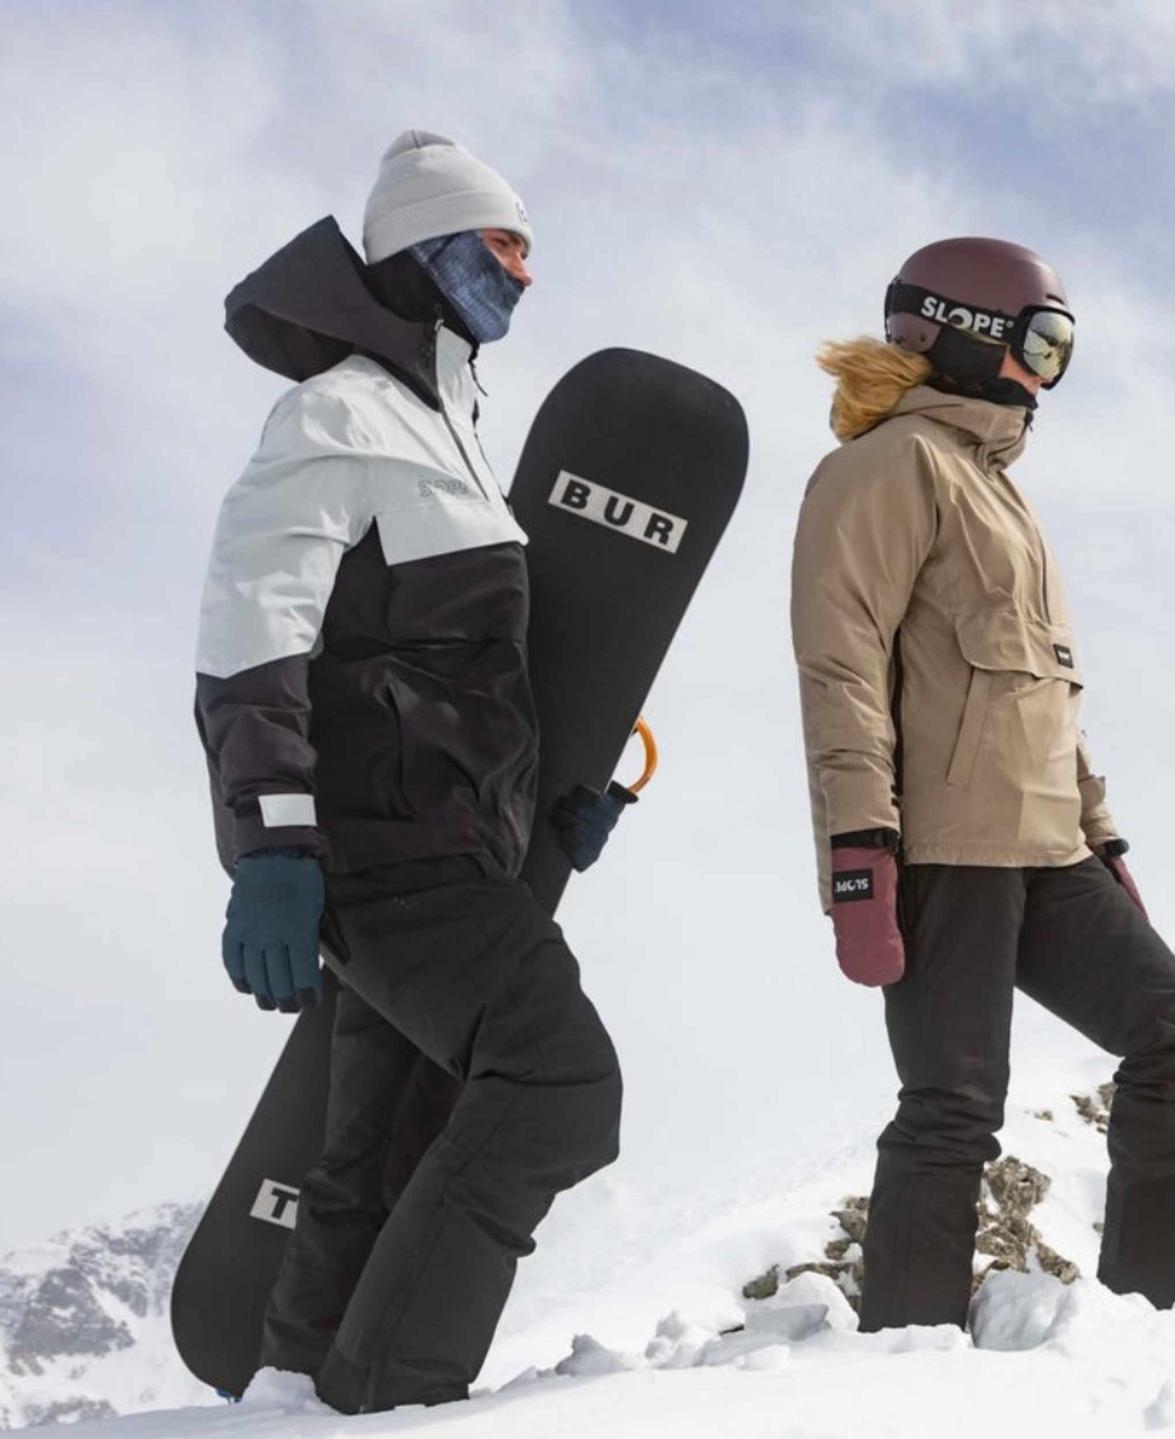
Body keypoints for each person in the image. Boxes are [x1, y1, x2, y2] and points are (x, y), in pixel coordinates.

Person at [194, 130, 631, 1413]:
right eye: (505, 243)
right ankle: (394, 1395)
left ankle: (298, 1384)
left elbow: (439, 674)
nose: (527, 273)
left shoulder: (445, 426)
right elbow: (251, 635)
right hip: (389, 855)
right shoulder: (339, 411)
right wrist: (269, 843)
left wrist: (545, 811)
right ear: (428, 249)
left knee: (382, 1151)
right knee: (561, 1088)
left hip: (446, 844)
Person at [789, 237, 1175, 1331]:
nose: (1050, 366)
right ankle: (908, 1355)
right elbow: (839, 670)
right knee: (953, 1107)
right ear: (967, 329)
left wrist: (1106, 841)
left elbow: (1050, 694)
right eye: (1042, 338)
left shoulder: (1002, 496)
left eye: (1062, 343)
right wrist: (859, 854)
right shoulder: (886, 468)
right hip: (945, 851)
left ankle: (1161, 1319)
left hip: (1050, 851)